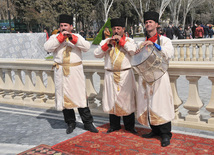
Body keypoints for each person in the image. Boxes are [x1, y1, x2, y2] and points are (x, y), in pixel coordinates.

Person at [44, 14, 98, 134]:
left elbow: (87, 47)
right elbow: (47, 47)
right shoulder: (55, 37)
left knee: (81, 97)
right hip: (61, 72)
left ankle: (88, 123)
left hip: (75, 72)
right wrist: (60, 39)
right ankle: (70, 122)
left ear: (71, 27)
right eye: (61, 26)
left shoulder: (77, 37)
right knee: (65, 99)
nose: (63, 28)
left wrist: (71, 38)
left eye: (66, 26)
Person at [136, 11, 175, 147]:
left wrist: (155, 46)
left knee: (161, 103)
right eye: (146, 22)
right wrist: (137, 52)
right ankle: (155, 130)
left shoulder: (165, 40)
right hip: (147, 78)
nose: (148, 24)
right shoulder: (142, 43)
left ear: (156, 24)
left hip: (160, 77)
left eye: (150, 22)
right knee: (149, 103)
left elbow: (169, 53)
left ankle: (165, 134)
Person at [94, 18, 137, 134]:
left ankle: (129, 126)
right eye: (114, 29)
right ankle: (114, 125)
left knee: (127, 100)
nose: (116, 31)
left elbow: (133, 51)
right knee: (111, 99)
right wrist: (107, 45)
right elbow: (96, 54)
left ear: (123, 29)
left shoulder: (129, 41)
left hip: (125, 74)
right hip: (110, 74)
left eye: (119, 29)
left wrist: (122, 42)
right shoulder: (107, 41)